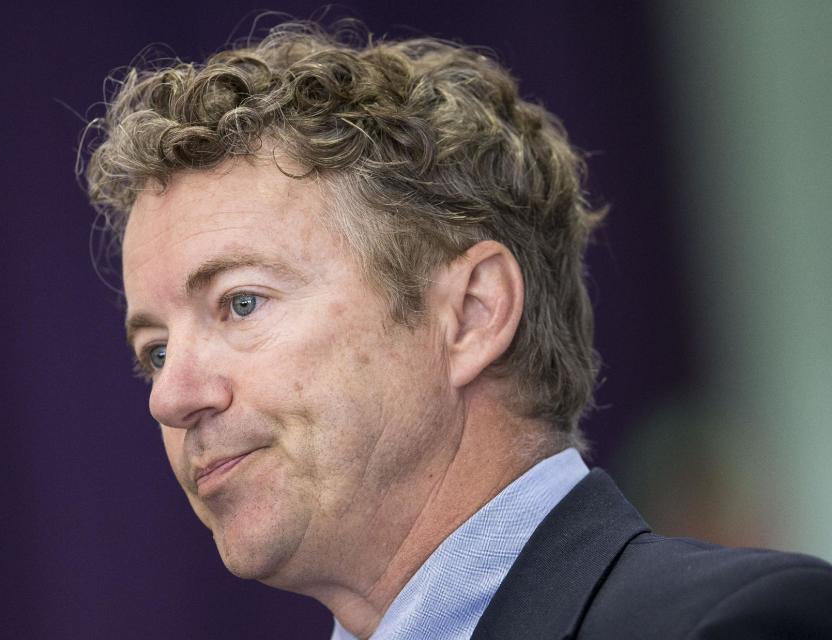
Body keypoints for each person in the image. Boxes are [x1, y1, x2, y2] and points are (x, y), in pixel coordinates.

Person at [82, 21, 832, 639]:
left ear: (471, 313)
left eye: (240, 303)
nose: (170, 397)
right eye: (154, 350)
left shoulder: (736, 627)